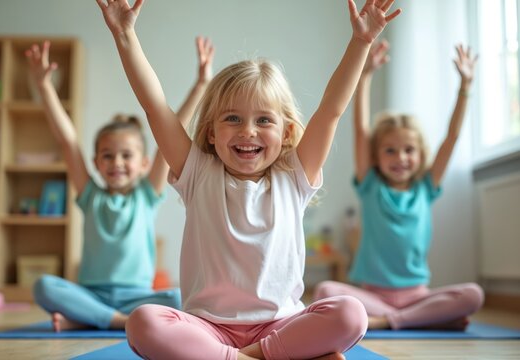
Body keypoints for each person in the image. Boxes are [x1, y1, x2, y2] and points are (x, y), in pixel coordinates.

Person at [97, 0, 401, 358]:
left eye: (264, 121)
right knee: (143, 322)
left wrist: (360, 43)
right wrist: (124, 34)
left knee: (351, 313)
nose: (248, 132)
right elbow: (155, 106)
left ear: (287, 133)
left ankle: (248, 356)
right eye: (232, 119)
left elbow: (331, 110)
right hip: (207, 327)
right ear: (210, 133)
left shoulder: (295, 174)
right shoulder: (196, 171)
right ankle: (271, 356)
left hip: (280, 324)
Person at [25, 36, 215, 332]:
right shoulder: (90, 196)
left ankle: (85, 320)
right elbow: (68, 140)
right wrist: (44, 86)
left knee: (181, 296)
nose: (116, 163)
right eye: (107, 156)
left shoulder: (147, 194)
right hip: (92, 293)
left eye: (126, 156)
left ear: (143, 164)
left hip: (137, 297)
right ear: (96, 162)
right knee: (43, 286)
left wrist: (201, 85)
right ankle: (116, 322)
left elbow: (171, 130)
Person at [313, 40, 484, 330]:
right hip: (372, 295)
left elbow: (451, 138)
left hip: (417, 295)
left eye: (408, 150)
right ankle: (424, 320)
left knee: (473, 294)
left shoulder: (426, 187)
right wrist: (365, 76)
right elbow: (361, 131)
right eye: (390, 150)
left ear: (420, 155)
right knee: (325, 291)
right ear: (376, 156)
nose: (400, 158)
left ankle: (390, 321)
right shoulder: (370, 186)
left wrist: (465, 87)